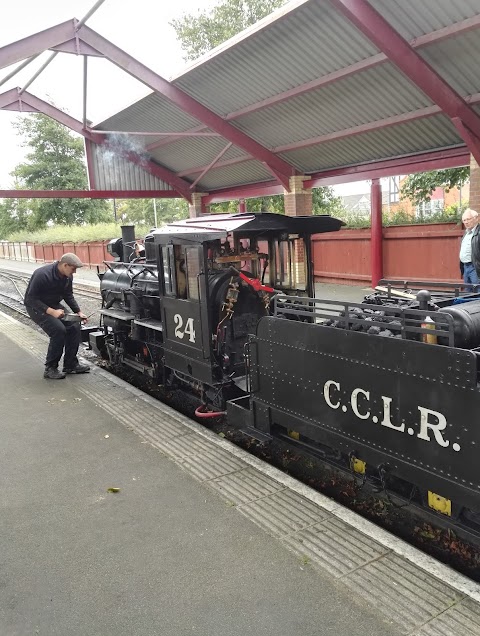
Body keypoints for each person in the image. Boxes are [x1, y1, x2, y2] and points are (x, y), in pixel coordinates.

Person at [24, 253, 90, 379]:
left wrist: (78, 312)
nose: (74, 272)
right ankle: (50, 368)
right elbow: (30, 299)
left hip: (54, 305)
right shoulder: (42, 274)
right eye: (73, 268)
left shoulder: (67, 276)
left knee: (75, 326)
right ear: (65, 265)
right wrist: (51, 311)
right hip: (36, 307)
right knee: (58, 330)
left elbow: (68, 295)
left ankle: (70, 364)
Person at [459, 208, 480, 286]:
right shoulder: (466, 233)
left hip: (475, 268)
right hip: (465, 267)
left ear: (476, 218)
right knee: (468, 292)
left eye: (468, 219)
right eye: (464, 220)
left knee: (477, 291)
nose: (466, 222)